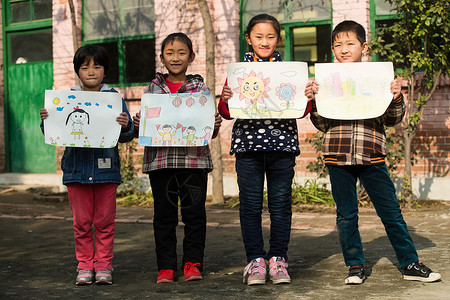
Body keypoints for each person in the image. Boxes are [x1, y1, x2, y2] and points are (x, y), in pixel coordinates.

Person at [304, 20, 441, 285]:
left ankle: (410, 263)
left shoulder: (379, 77)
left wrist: (396, 96)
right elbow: (321, 124)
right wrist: (315, 101)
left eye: (350, 44)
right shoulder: (326, 81)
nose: (344, 49)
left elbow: (392, 120)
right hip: (338, 154)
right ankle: (355, 266)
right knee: (346, 215)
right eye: (338, 45)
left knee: (391, 212)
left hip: (372, 154)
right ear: (332, 49)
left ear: (364, 47)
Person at [218, 14, 312, 285]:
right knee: (250, 206)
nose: (265, 41)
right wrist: (225, 99)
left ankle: (279, 260)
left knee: (281, 205)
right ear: (248, 39)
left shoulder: (289, 70)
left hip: (282, 146)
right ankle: (256, 261)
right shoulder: (237, 72)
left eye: (270, 37)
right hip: (248, 147)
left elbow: (301, 110)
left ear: (278, 39)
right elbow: (226, 113)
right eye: (258, 36)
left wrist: (306, 97)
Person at [40, 45, 134, 285]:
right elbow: (53, 133)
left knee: (104, 222)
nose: (91, 71)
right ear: (77, 71)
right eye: (85, 67)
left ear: (105, 71)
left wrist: (125, 125)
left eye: (97, 66)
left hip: (106, 172)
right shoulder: (67, 100)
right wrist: (48, 120)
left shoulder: (114, 99)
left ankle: (103, 266)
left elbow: (126, 135)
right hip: (76, 171)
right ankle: (84, 266)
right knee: (81, 222)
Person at [132, 32, 222, 284]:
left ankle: (192, 263)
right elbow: (146, 126)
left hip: (193, 163)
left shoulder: (200, 89)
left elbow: (209, 132)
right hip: (161, 163)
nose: (175, 57)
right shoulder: (152, 89)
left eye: (182, 52)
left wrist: (214, 124)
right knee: (164, 216)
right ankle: (166, 267)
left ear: (191, 57)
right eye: (170, 53)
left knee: (195, 214)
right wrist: (140, 123)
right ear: (162, 57)